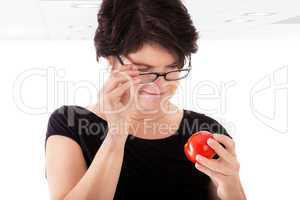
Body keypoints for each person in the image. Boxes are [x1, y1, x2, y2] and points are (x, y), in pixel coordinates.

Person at [44, 0, 246, 199]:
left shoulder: (206, 130)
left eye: (172, 69)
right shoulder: (70, 124)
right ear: (111, 59)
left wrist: (231, 185)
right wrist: (116, 134)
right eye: (143, 71)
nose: (158, 85)